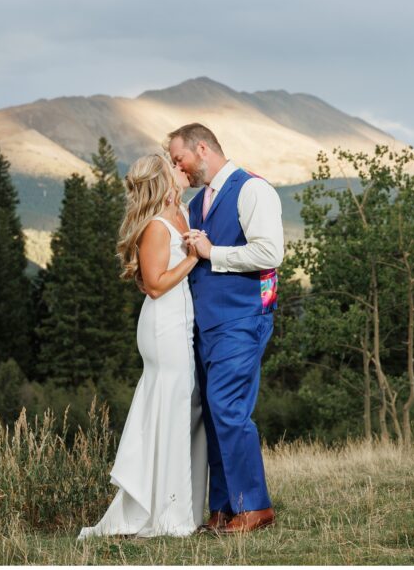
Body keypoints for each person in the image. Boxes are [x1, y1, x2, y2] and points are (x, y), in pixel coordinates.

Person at [78, 153, 208, 539]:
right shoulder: (154, 226)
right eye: (171, 167)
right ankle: (168, 515)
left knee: (183, 407)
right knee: (171, 408)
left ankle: (174, 504)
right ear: (161, 180)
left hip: (182, 324)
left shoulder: (180, 210)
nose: (179, 169)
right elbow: (153, 286)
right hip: (163, 327)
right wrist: (193, 259)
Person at [167, 123, 283, 534]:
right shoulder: (200, 202)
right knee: (214, 415)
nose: (177, 166)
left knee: (229, 409)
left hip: (242, 317)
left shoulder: (252, 189)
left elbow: (270, 251)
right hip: (207, 325)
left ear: (202, 148)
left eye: (179, 158)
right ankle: (223, 509)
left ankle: (255, 506)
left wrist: (212, 251)